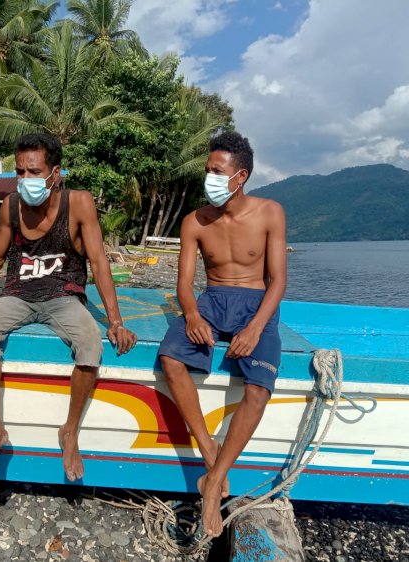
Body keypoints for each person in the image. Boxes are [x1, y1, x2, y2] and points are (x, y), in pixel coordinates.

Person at [0, 133, 137, 482]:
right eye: (20, 172)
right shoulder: (10, 206)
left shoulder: (79, 203)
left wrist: (115, 321)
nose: (26, 180)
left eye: (34, 171)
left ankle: (69, 431)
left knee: (89, 343)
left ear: (54, 173)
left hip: (63, 294)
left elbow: (100, 262)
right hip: (18, 293)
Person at [157, 131, 286, 537]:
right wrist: (192, 314)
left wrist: (254, 327)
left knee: (259, 387)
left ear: (240, 176)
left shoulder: (270, 213)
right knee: (170, 359)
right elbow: (183, 283)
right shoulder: (194, 221)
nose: (209, 177)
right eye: (207, 169)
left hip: (256, 302)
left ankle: (215, 480)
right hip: (212, 301)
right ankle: (208, 449)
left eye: (217, 171)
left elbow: (278, 281)